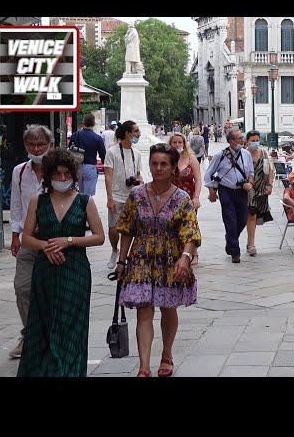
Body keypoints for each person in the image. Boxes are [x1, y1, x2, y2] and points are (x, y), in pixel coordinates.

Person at [115, 143, 201, 377]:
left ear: (173, 167)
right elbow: (126, 230)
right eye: (154, 163)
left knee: (168, 307)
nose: (158, 168)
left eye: (164, 164)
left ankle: (167, 354)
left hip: (170, 259)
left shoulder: (182, 198)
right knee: (144, 310)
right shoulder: (137, 195)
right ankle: (144, 366)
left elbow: (191, 232)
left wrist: (185, 257)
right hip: (141, 259)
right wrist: (121, 261)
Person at [17, 149, 105, 376]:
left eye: (67, 174)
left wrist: (69, 241)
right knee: (43, 322)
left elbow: (99, 237)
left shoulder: (85, 201)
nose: (63, 179)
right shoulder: (39, 201)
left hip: (74, 269)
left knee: (71, 324)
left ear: (74, 176)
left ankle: (69, 371)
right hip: (45, 269)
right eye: (57, 174)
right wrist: (45, 246)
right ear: (49, 176)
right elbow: (25, 237)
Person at [8, 125, 53, 359]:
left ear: (50, 145)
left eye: (40, 144)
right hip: (28, 239)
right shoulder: (19, 172)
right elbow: (16, 204)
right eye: (31, 145)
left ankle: (49, 336)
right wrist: (15, 236)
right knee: (23, 287)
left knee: (50, 291)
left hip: (53, 239)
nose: (36, 149)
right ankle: (29, 334)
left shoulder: (58, 170)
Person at [203, 129, 254, 263]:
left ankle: (230, 240)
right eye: (239, 138)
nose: (242, 140)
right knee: (230, 220)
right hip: (226, 190)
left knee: (242, 220)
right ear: (231, 141)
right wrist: (211, 191)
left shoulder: (246, 154)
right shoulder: (220, 155)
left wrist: (249, 183)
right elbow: (208, 174)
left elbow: (251, 172)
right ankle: (235, 252)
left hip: (242, 191)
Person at [104, 121, 143, 270]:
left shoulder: (137, 154)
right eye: (136, 131)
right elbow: (108, 176)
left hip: (132, 196)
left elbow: (139, 174)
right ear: (127, 133)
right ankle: (115, 250)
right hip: (116, 195)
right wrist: (109, 198)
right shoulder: (112, 151)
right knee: (113, 229)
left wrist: (140, 182)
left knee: (130, 229)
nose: (138, 134)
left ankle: (125, 256)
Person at [245, 130, 275, 256]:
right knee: (251, 215)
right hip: (248, 188)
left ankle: (250, 242)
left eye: (257, 140)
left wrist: (269, 184)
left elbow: (270, 170)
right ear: (247, 141)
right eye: (253, 140)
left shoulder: (263, 153)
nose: (255, 143)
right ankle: (251, 244)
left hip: (261, 188)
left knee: (255, 215)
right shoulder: (244, 154)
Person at [69, 114, 106, 196]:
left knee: (80, 193)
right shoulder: (97, 138)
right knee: (88, 197)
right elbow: (103, 155)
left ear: (83, 122)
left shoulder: (75, 135)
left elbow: (70, 149)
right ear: (94, 123)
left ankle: (81, 208)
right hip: (90, 167)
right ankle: (86, 208)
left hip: (77, 167)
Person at [169, 133, 202, 213]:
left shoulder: (191, 158)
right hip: (170, 199)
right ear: (170, 144)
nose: (177, 145)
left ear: (184, 144)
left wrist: (196, 197)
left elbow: (198, 180)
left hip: (188, 198)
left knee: (188, 224)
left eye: (180, 142)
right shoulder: (166, 159)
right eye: (174, 142)